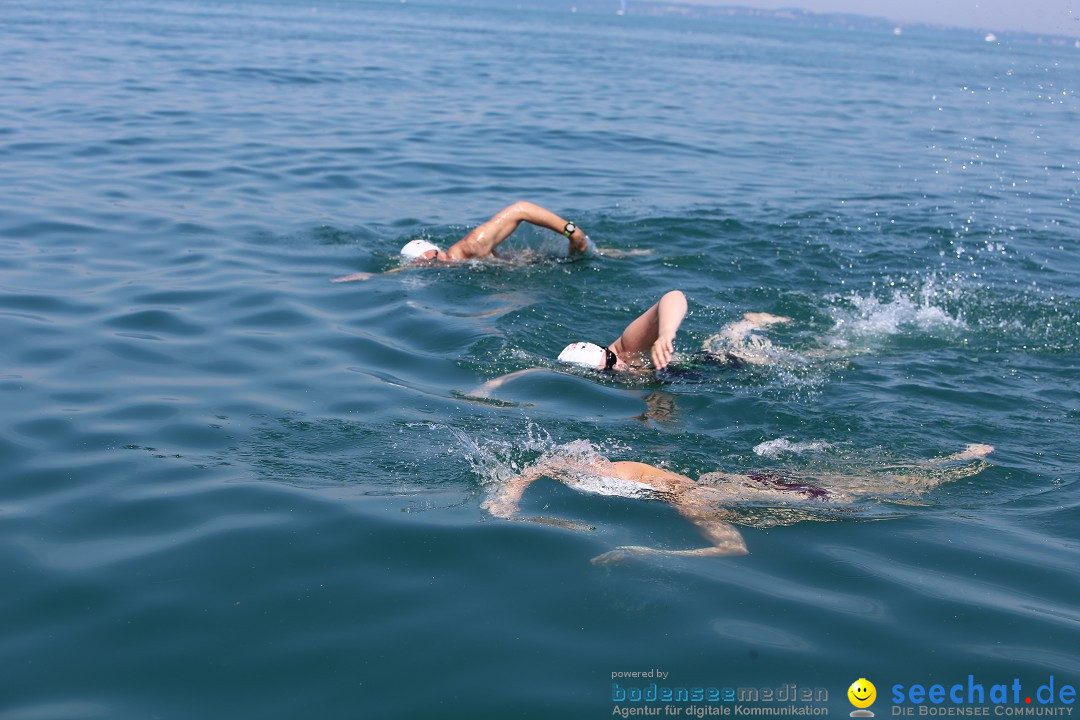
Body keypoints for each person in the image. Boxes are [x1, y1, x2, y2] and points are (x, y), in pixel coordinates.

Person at [482, 443, 995, 563]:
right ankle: (955, 459)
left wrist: (642, 552)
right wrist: (508, 497)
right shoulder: (610, 467)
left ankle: (958, 465)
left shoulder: (686, 500)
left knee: (875, 494)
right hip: (749, 477)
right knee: (880, 482)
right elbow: (550, 461)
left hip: (740, 487)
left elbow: (734, 550)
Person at [332, 201, 590, 282]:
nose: (437, 266)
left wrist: (571, 232)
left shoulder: (470, 247)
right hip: (536, 267)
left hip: (556, 262)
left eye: (435, 259)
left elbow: (521, 208)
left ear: (439, 251)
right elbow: (406, 269)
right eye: (426, 266)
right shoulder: (441, 265)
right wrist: (370, 276)